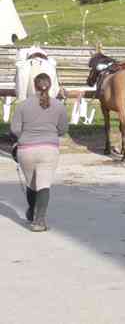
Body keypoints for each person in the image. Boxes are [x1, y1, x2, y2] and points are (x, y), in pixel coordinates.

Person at [10, 72, 68, 232]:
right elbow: (63, 130)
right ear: (50, 86)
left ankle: (32, 210)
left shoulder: (22, 105)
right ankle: (39, 221)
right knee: (43, 184)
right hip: (49, 149)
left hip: (26, 150)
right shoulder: (59, 105)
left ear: (34, 86)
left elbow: (15, 129)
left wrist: (24, 138)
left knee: (31, 184)